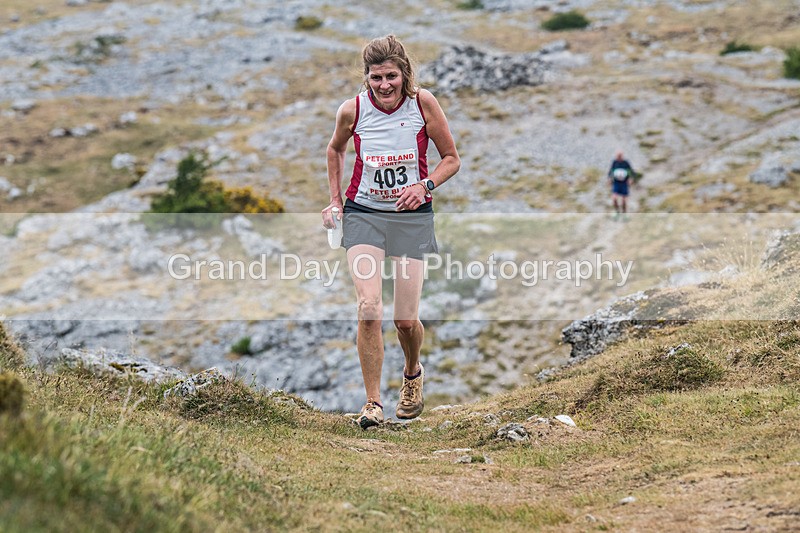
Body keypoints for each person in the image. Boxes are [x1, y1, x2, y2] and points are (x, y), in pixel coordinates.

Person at [321, 35, 460, 429]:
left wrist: (425, 186)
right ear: (366, 78)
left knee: (404, 320)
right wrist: (335, 201)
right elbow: (335, 150)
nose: (384, 85)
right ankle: (372, 403)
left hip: (410, 217)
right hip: (363, 213)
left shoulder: (423, 104)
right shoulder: (352, 110)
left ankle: (413, 372)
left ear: (404, 75)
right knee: (368, 308)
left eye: (391, 77)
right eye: (376, 77)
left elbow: (451, 159)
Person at [607, 151, 635, 220]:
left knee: (624, 200)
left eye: (620, 156)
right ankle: (617, 212)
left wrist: (631, 179)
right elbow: (610, 171)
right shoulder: (614, 162)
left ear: (622, 156)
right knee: (614, 198)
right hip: (616, 183)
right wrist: (609, 178)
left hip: (624, 183)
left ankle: (624, 214)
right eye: (617, 156)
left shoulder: (626, 163)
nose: (618, 158)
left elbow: (632, 172)